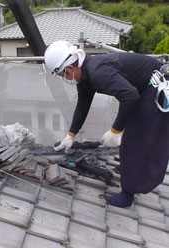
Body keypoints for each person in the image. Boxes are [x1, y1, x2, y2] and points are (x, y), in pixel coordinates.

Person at [44, 40, 169, 208]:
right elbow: (82, 107)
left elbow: (130, 97)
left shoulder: (97, 72)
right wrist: (70, 136)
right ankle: (129, 169)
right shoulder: (86, 75)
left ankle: (128, 194)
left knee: (135, 137)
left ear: (70, 68)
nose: (66, 79)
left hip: (154, 85)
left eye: (64, 74)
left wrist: (115, 130)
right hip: (144, 87)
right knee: (130, 136)